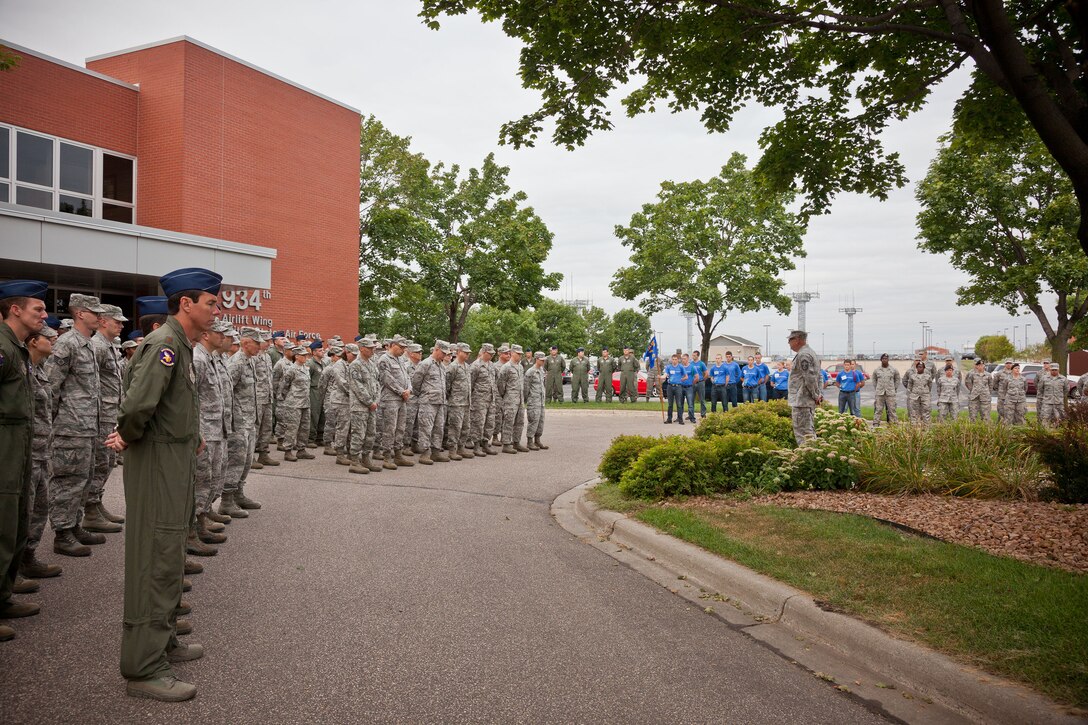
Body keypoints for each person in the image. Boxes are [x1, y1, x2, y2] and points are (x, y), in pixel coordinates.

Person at [105, 267, 223, 701]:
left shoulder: (182, 346)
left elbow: (169, 406)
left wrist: (190, 435)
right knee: (154, 557)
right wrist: (129, 436)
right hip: (157, 463)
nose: (217, 310)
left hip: (173, 460)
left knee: (170, 551)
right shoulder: (165, 345)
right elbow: (137, 407)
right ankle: (143, 667)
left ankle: (164, 640)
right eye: (211, 302)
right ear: (186, 304)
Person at [0, 280, 49, 642]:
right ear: (14, 309)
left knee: (15, 525)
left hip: (19, 449)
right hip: (4, 449)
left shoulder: (16, 349)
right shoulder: (2, 348)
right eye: (38, 309)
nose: (45, 315)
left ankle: (3, 596)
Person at [46, 293, 107, 556]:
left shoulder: (89, 344)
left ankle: (74, 525)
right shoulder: (66, 344)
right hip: (69, 428)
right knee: (68, 481)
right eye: (95, 312)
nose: (99, 317)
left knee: (84, 479)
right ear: (80, 313)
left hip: (88, 426)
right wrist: (53, 425)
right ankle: (62, 534)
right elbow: (51, 386)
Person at [21, 323, 63, 584]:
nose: (54, 341)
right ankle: (11, 568)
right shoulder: (21, 368)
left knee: (39, 508)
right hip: (26, 452)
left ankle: (28, 557)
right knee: (21, 512)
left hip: (42, 450)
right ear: (34, 341)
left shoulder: (39, 370)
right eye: (49, 338)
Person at [86, 304, 128, 533]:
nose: (121, 325)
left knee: (107, 462)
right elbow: (92, 384)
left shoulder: (109, 346)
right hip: (101, 416)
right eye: (117, 321)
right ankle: (90, 510)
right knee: (100, 462)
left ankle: (96, 502)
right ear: (103, 321)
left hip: (111, 413)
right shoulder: (97, 346)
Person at [220, 328, 262, 518]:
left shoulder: (249, 361)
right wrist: (230, 422)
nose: (260, 346)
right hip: (238, 421)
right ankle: (226, 502)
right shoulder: (236, 363)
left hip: (249, 419)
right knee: (236, 461)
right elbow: (226, 392)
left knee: (246, 461)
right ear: (246, 343)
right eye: (257, 343)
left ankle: (239, 494)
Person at [377, 336, 414, 468]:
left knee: (400, 428)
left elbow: (407, 376)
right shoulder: (384, 360)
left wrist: (409, 389)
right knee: (389, 428)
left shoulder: (401, 359)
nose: (403, 350)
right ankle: (387, 456)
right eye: (401, 347)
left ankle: (398, 454)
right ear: (392, 345)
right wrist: (401, 391)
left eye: (405, 348)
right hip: (390, 399)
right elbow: (387, 379)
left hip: (402, 399)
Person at [347, 340, 382, 475]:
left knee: (370, 433)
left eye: (373, 348)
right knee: (358, 434)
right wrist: (369, 402)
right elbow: (357, 387)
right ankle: (355, 461)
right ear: (362, 349)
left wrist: (376, 400)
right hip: (360, 406)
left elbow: (377, 384)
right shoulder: (355, 365)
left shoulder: (372, 365)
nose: (373, 350)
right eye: (370, 348)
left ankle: (366, 458)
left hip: (372, 406)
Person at [412, 340, 450, 465]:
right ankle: (425, 453)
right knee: (426, 428)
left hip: (440, 402)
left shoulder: (441, 366)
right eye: (443, 352)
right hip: (428, 401)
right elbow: (416, 382)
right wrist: (422, 395)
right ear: (436, 349)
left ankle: (435, 452)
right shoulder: (426, 364)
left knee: (439, 428)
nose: (444, 355)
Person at [278, 346, 314, 462]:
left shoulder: (305, 368)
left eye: (306, 355)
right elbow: (284, 386)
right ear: (297, 356)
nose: (305, 357)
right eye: (303, 355)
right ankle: (288, 451)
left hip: (305, 402)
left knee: (304, 427)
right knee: (292, 428)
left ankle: (301, 449)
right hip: (294, 403)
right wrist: (285, 399)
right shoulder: (291, 369)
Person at [786, 331, 823, 445]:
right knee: (808, 431)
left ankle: (808, 457)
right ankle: (812, 455)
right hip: (804, 400)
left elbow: (810, 378)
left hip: (802, 400)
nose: (789, 343)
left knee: (804, 434)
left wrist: (816, 395)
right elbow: (819, 376)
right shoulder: (808, 353)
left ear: (797, 340)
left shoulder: (804, 355)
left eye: (790, 340)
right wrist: (818, 393)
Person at [497, 345, 528, 453]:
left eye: (521, 354)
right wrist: (506, 395)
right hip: (510, 399)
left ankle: (516, 442)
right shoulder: (506, 367)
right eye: (518, 353)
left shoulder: (520, 367)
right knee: (509, 421)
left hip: (520, 399)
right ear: (512, 353)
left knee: (519, 422)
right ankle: (506, 444)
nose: (520, 356)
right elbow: (500, 384)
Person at [445, 342, 473, 459]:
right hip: (456, 402)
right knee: (455, 427)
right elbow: (447, 385)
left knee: (466, 427)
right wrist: (451, 398)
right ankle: (452, 450)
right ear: (458, 352)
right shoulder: (453, 366)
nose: (467, 355)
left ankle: (461, 448)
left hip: (466, 402)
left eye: (468, 353)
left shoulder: (467, 367)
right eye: (465, 352)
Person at [469, 343, 498, 455]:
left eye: (492, 354)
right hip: (479, 400)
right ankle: (476, 446)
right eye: (489, 353)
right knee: (478, 423)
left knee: (489, 422)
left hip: (491, 399)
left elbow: (495, 381)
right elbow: (470, 383)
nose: (491, 356)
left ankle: (485, 443)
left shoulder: (491, 365)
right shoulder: (475, 365)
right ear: (484, 352)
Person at [524, 351, 548, 449]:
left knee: (540, 421)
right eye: (541, 360)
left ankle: (537, 440)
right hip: (533, 401)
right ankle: (530, 441)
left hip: (541, 400)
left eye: (544, 360)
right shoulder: (530, 371)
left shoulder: (542, 370)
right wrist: (526, 399)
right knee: (533, 420)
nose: (543, 362)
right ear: (537, 359)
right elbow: (526, 387)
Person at [870, 354, 901, 426]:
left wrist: (894, 388)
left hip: (890, 393)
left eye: (886, 358)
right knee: (878, 409)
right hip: (880, 393)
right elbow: (874, 379)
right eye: (883, 358)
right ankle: (876, 424)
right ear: (881, 360)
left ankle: (894, 424)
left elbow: (897, 379)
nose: (885, 360)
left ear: (888, 360)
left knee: (892, 410)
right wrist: (877, 387)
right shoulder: (877, 370)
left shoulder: (893, 370)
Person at [904, 360, 934, 426]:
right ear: (916, 368)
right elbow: (910, 386)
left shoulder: (928, 376)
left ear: (924, 368)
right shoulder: (912, 376)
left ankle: (926, 426)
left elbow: (930, 386)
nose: (920, 368)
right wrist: (913, 393)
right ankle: (914, 426)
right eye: (918, 367)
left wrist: (925, 392)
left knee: (926, 411)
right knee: (914, 411)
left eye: (921, 367)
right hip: (914, 396)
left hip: (925, 396)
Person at [663, 354, 686, 424]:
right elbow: (665, 375)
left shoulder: (681, 367)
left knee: (679, 404)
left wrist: (680, 380)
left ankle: (680, 419)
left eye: (676, 359)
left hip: (678, 387)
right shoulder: (668, 367)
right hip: (670, 386)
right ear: (671, 360)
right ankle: (669, 419)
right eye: (673, 359)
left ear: (678, 360)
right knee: (670, 404)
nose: (674, 361)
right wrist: (661, 377)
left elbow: (686, 376)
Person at [690, 350, 708, 417]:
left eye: (694, 355)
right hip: (692, 383)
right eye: (693, 355)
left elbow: (706, 373)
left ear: (698, 356)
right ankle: (691, 414)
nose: (693, 357)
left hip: (700, 383)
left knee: (702, 399)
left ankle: (703, 414)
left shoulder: (701, 364)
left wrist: (703, 379)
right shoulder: (691, 364)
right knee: (691, 399)